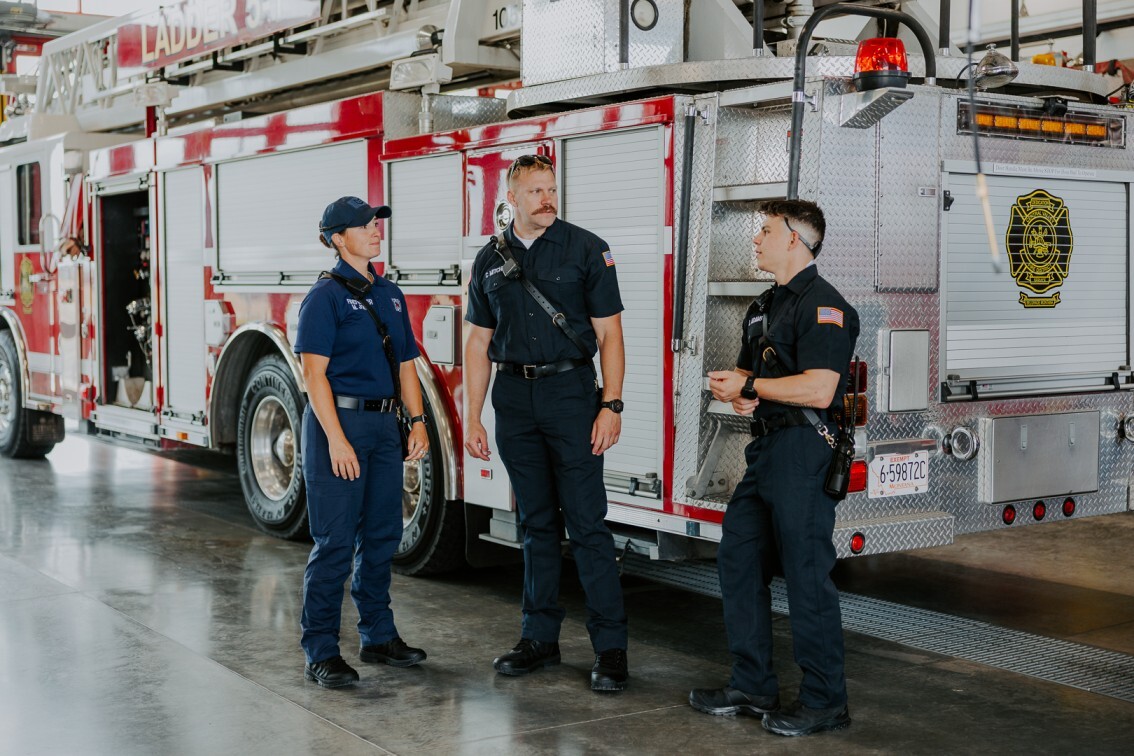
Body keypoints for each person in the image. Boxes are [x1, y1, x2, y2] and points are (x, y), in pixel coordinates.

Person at [689, 199, 859, 736]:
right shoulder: (764, 305)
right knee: (738, 558)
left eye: (765, 230)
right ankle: (754, 683)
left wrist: (752, 388)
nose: (756, 239)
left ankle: (825, 700)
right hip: (765, 452)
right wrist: (740, 391)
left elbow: (819, 387)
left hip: (804, 453)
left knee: (807, 576)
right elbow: (749, 372)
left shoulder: (826, 308)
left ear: (796, 240)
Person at [463, 154, 630, 692]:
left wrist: (612, 404)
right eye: (535, 190)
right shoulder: (488, 259)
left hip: (571, 395)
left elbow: (610, 336)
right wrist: (473, 415)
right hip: (513, 398)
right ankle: (539, 638)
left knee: (587, 525)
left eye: (551, 188)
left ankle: (610, 649)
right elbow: (478, 343)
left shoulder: (586, 248)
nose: (547, 198)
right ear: (511, 197)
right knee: (535, 524)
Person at [294, 196, 430, 688]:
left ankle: (377, 635)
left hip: (384, 429)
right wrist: (336, 439)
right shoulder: (324, 298)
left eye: (376, 224)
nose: (375, 231)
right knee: (334, 543)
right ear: (337, 238)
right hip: (341, 428)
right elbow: (314, 376)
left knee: (381, 537)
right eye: (364, 225)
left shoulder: (390, 293)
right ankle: (322, 651)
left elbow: (406, 365)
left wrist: (416, 422)